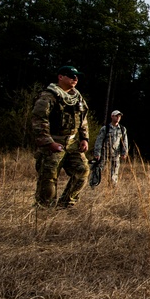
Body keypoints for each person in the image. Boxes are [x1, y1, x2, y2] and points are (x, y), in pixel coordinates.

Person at [30, 65, 90, 209]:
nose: (75, 79)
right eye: (71, 76)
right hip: (53, 142)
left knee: (82, 170)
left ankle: (66, 204)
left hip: (72, 143)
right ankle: (44, 209)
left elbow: (83, 120)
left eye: (76, 76)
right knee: (49, 177)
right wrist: (49, 143)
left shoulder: (78, 98)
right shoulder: (48, 96)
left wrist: (84, 138)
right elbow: (39, 121)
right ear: (60, 77)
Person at [92, 110, 129, 185]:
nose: (118, 117)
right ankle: (94, 183)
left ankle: (112, 186)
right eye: (116, 116)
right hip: (104, 153)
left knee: (115, 170)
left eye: (119, 116)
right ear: (112, 116)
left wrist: (124, 152)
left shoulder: (122, 129)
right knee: (98, 168)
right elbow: (99, 141)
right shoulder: (105, 128)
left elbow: (124, 142)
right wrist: (97, 153)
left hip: (116, 153)